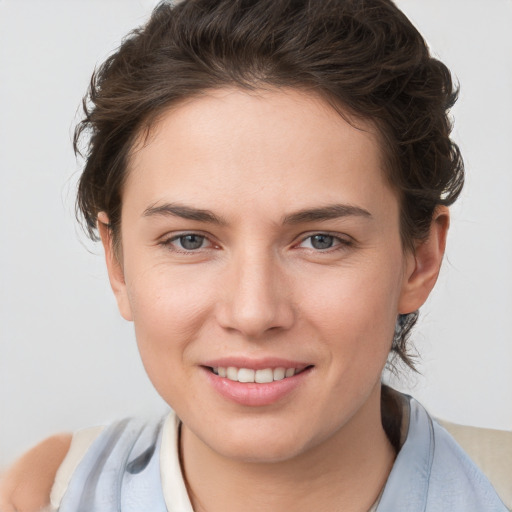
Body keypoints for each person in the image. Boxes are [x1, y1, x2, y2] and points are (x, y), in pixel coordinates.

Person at [0, 0, 507, 510]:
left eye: (321, 240)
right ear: (118, 263)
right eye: (190, 240)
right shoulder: (40, 493)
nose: (253, 313)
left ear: (419, 258)